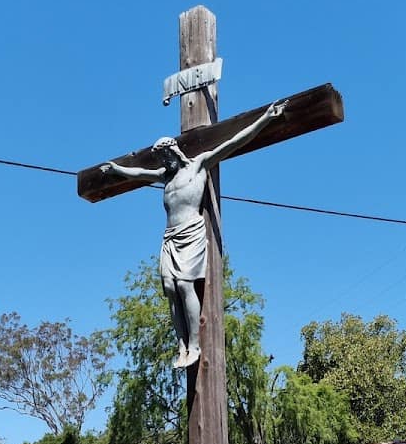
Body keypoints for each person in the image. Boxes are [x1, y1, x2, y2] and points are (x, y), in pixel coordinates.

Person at [101, 99, 287, 369]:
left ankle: (195, 345)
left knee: (184, 285)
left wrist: (266, 118)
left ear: (174, 152)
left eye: (166, 157)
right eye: (160, 159)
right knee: (169, 288)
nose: (164, 162)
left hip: (191, 231)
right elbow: (139, 173)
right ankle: (181, 345)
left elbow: (233, 142)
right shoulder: (165, 177)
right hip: (170, 237)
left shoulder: (198, 166)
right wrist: (118, 170)